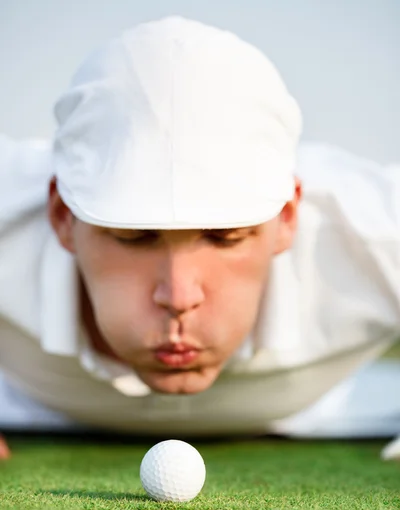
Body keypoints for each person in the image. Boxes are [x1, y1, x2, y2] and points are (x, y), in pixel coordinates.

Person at [0, 16, 399, 461]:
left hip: (324, 414)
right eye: (132, 236)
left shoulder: (371, 229)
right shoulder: (9, 211)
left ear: (287, 218)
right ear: (61, 216)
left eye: (226, 237)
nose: (179, 296)